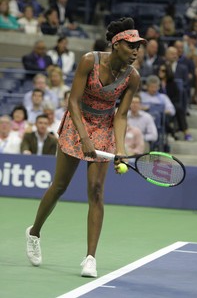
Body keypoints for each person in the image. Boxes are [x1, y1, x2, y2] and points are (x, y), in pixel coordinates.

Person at [25, 17, 146, 278]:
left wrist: (120, 150)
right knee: (59, 187)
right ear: (116, 44)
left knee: (97, 190)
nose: (136, 50)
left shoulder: (132, 77)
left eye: (139, 46)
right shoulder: (90, 61)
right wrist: (84, 138)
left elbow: (121, 116)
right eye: (131, 45)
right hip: (77, 122)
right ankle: (34, 232)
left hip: (104, 127)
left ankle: (90, 258)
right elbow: (73, 101)